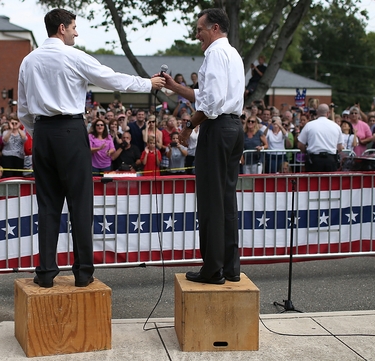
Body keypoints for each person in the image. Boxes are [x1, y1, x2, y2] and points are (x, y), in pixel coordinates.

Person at [17, 8, 165, 288]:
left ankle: (46, 272)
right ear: (61, 28)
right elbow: (112, 79)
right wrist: (148, 83)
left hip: (43, 133)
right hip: (71, 131)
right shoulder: (74, 56)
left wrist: (40, 132)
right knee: (80, 203)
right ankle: (83, 273)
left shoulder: (28, 60)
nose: (76, 31)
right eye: (73, 26)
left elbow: (23, 109)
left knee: (47, 205)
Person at [160, 8, 244, 284]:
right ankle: (230, 267)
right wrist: (175, 87)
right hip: (232, 128)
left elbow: (211, 102)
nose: (197, 35)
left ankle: (212, 269)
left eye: (200, 29)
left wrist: (188, 126)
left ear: (215, 27)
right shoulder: (232, 53)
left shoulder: (215, 54)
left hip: (217, 129)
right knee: (226, 200)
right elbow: (205, 95)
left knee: (211, 202)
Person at [297, 104, 343, 172]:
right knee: (330, 182)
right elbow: (340, 147)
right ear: (328, 113)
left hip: (314, 160)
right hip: (331, 160)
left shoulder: (309, 125)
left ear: (317, 112)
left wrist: (306, 151)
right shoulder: (336, 127)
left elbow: (300, 145)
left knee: (313, 182)